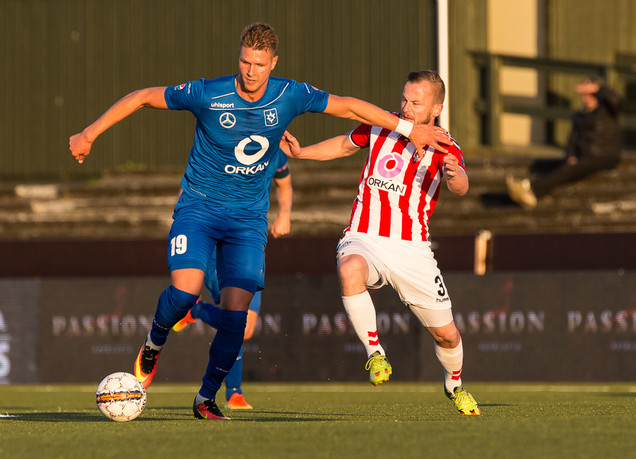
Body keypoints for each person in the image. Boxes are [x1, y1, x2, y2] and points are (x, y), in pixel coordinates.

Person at [69, 23, 450, 421]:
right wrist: (89, 133)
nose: (251, 72)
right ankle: (153, 343)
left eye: (260, 65)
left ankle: (206, 398)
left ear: (274, 63)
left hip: (248, 221)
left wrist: (408, 129)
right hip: (199, 208)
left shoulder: (289, 95)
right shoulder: (208, 92)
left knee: (238, 317)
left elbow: (350, 107)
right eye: (245, 62)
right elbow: (143, 97)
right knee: (184, 292)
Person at [280, 70, 480, 415]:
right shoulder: (383, 124)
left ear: (437, 108)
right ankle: (375, 354)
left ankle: (455, 385)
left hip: (412, 249)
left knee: (447, 335)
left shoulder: (445, 146)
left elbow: (461, 186)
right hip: (365, 236)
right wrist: (302, 153)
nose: (406, 107)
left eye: (416, 103)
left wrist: (455, 175)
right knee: (349, 269)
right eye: (404, 99)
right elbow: (344, 145)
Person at [172, 152, 293, 410]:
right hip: (217, 242)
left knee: (246, 328)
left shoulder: (276, 149)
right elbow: (190, 188)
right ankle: (233, 392)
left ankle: (196, 310)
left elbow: (284, 184)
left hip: (247, 239)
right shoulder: (224, 142)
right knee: (235, 316)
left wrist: (284, 214)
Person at [506, 79, 623, 209]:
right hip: (585, 156)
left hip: (604, 156)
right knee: (558, 164)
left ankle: (532, 190)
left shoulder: (607, 111)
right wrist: (571, 155)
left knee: (571, 169)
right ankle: (527, 187)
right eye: (585, 94)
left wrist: (598, 88)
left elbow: (617, 101)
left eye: (591, 94)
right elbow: (573, 139)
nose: (588, 97)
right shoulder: (579, 115)